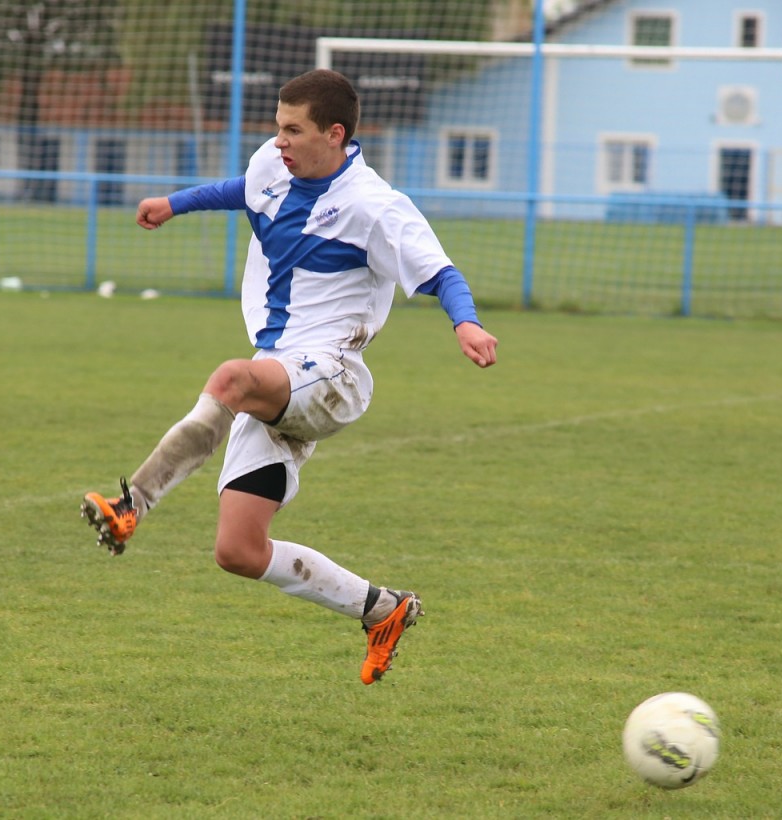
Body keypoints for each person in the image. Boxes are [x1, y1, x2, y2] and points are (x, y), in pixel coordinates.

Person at [81, 69, 498, 685]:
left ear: (334, 134)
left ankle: (130, 505)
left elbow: (442, 273)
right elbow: (242, 190)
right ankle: (382, 609)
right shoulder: (275, 165)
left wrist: (466, 324)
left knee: (231, 378)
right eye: (277, 127)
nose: (279, 141)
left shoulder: (375, 206)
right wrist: (175, 203)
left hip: (331, 373)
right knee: (239, 551)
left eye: (293, 130)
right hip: (279, 373)